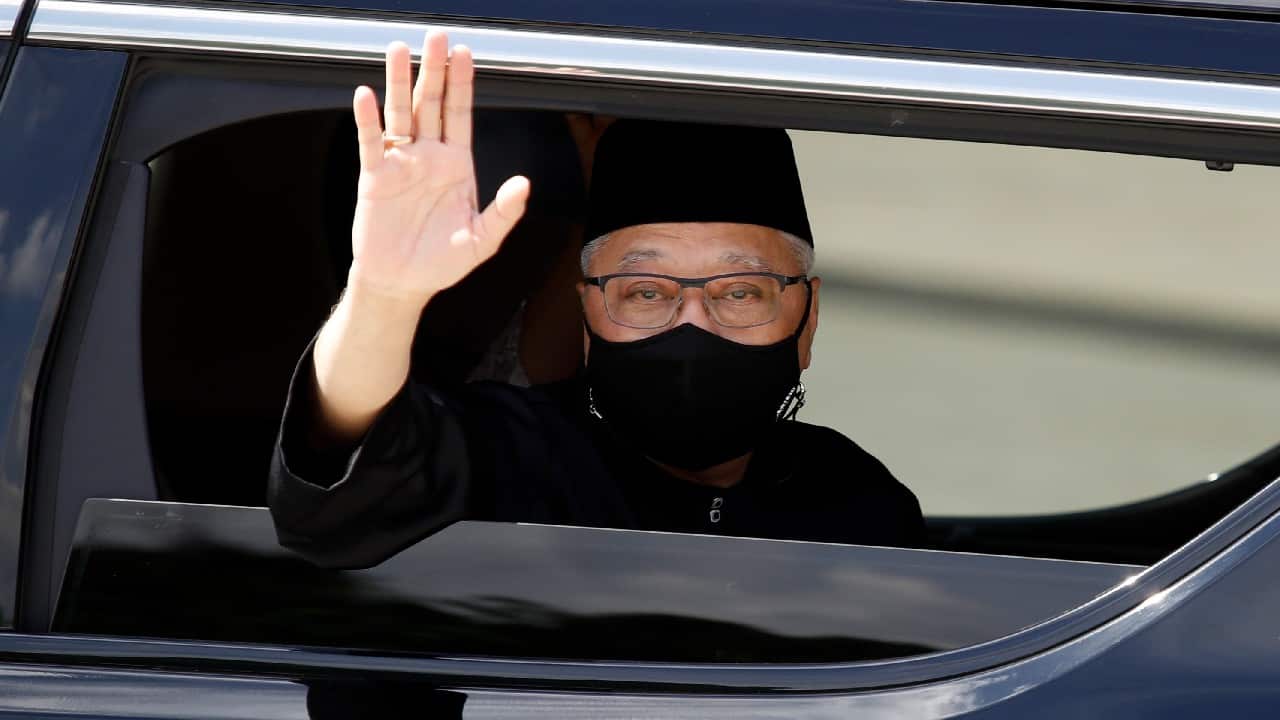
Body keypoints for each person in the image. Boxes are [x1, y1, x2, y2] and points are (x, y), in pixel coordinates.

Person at [268, 31, 924, 569]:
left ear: (807, 322)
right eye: (644, 291)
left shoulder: (857, 500)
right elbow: (338, 486)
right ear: (586, 317)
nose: (692, 325)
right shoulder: (512, 456)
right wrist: (383, 295)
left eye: (741, 292)